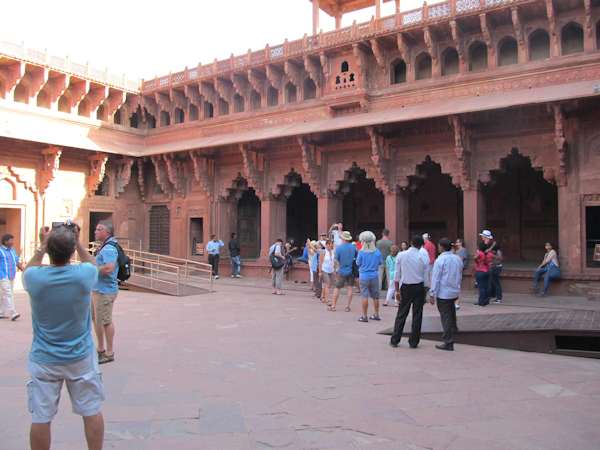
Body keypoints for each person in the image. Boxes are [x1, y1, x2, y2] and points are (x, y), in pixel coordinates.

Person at [23, 224, 105, 450]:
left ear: (49, 250)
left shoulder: (35, 279)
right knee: (91, 410)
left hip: (44, 359)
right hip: (80, 358)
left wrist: (43, 244)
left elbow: (29, 268)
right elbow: (92, 263)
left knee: (41, 417)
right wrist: (78, 241)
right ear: (71, 252)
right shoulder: (83, 276)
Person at [390, 235, 430, 348]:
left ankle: (395, 339)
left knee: (402, 313)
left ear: (411, 243)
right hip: (419, 287)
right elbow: (426, 277)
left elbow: (397, 275)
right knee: (417, 314)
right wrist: (426, 290)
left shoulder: (402, 255)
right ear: (422, 245)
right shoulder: (423, 257)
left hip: (406, 286)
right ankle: (414, 341)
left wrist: (397, 291)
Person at [92, 221, 120, 365]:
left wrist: (92, 270)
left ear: (107, 232)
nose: (96, 231)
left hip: (105, 290)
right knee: (98, 320)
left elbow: (109, 268)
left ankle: (108, 352)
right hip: (98, 289)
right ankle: (101, 348)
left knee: (105, 321)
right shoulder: (103, 247)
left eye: (99, 229)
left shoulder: (109, 249)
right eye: (96, 229)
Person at [429, 238, 463, 351]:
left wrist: (432, 293)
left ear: (442, 247)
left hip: (444, 292)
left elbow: (436, 278)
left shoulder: (440, 260)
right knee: (451, 311)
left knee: (446, 316)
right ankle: (454, 329)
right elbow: (460, 273)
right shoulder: (457, 258)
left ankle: (448, 341)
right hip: (454, 290)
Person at [355, 231, 383, 322]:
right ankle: (376, 314)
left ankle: (364, 316)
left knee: (364, 296)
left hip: (364, 275)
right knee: (375, 296)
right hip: (374, 275)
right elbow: (380, 263)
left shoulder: (361, 252)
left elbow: (358, 263)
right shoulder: (377, 252)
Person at [330, 231, 357, 312]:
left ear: (343, 239)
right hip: (351, 270)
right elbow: (356, 258)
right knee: (350, 288)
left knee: (337, 288)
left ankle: (333, 305)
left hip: (342, 270)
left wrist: (335, 270)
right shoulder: (353, 247)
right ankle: (348, 306)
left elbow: (335, 260)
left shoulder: (339, 248)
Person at [0, 233, 24, 321]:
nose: (12, 242)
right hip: (3, 275)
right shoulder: (0, 251)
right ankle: (13, 312)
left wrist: (23, 270)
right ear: (5, 241)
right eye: (11, 240)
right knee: (8, 293)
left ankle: (1, 312)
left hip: (11, 275)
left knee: (4, 294)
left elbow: (17, 261)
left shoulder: (12, 250)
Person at [473, 242, 493, 306]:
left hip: (480, 271)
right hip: (487, 271)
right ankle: (486, 300)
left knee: (481, 288)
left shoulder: (480, 253)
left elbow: (475, 258)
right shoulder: (488, 254)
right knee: (486, 286)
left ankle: (481, 302)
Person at [453, 238, 468, 310]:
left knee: (457, 285)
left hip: (458, 269)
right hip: (454, 269)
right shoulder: (455, 250)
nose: (457, 243)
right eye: (456, 242)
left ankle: (457, 303)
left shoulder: (463, 250)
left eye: (458, 242)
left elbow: (460, 259)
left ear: (461, 243)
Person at [320, 240, 336, 307]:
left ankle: (323, 297)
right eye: (329, 245)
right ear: (326, 245)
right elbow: (320, 262)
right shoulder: (323, 252)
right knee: (327, 284)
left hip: (331, 270)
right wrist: (320, 272)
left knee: (330, 285)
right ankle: (327, 299)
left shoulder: (333, 252)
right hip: (324, 270)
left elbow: (334, 262)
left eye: (331, 244)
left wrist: (335, 270)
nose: (330, 246)